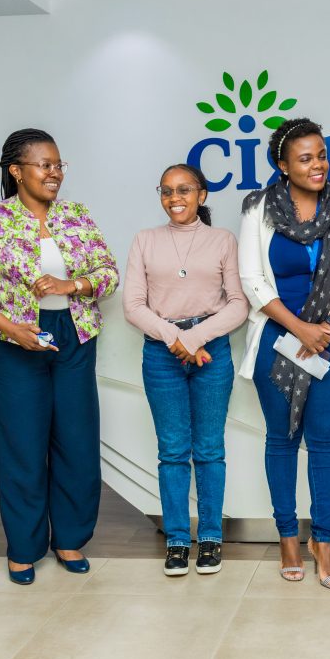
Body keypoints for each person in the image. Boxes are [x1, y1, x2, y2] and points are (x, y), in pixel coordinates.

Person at [0, 128, 118, 585]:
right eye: (45, 165)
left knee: (77, 442)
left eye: (59, 165)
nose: (54, 173)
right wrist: (9, 328)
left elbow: (108, 272)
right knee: (22, 445)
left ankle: (69, 539)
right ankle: (23, 547)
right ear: (16, 170)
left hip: (74, 336)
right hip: (17, 339)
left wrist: (74, 285)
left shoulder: (77, 215)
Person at [238, 117, 330, 590]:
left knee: (325, 444)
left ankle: (324, 544)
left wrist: (326, 327)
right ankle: (288, 538)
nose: (318, 166)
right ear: (283, 165)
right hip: (277, 340)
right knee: (281, 442)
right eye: (305, 158)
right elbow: (252, 280)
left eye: (322, 156)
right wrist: (299, 330)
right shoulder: (258, 208)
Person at [123, 164, 247, 576]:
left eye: (184, 190)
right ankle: (177, 540)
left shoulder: (223, 240)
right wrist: (173, 339)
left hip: (211, 351)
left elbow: (238, 305)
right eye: (166, 191)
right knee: (172, 451)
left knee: (210, 449)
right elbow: (133, 306)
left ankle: (210, 537)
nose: (175, 198)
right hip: (161, 356)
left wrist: (193, 340)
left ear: (202, 195)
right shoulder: (145, 240)